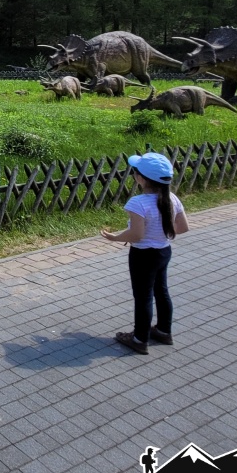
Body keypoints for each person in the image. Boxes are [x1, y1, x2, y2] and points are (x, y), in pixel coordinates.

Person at [101, 152, 188, 354]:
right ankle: (164, 331)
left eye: (136, 172)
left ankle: (140, 339)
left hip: (143, 256)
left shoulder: (138, 202)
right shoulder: (172, 198)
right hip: (163, 251)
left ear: (141, 178)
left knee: (143, 296)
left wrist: (115, 237)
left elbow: (137, 235)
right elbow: (183, 227)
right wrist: (160, 234)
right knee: (161, 291)